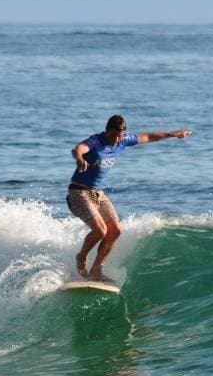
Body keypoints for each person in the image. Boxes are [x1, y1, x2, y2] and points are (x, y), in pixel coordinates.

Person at [67, 114, 192, 282]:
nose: (118, 139)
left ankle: (96, 270)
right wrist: (80, 158)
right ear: (107, 131)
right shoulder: (96, 141)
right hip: (78, 192)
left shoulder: (123, 140)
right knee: (100, 230)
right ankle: (81, 257)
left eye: (120, 135)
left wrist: (172, 134)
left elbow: (147, 137)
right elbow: (78, 148)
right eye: (114, 135)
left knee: (116, 230)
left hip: (97, 193)